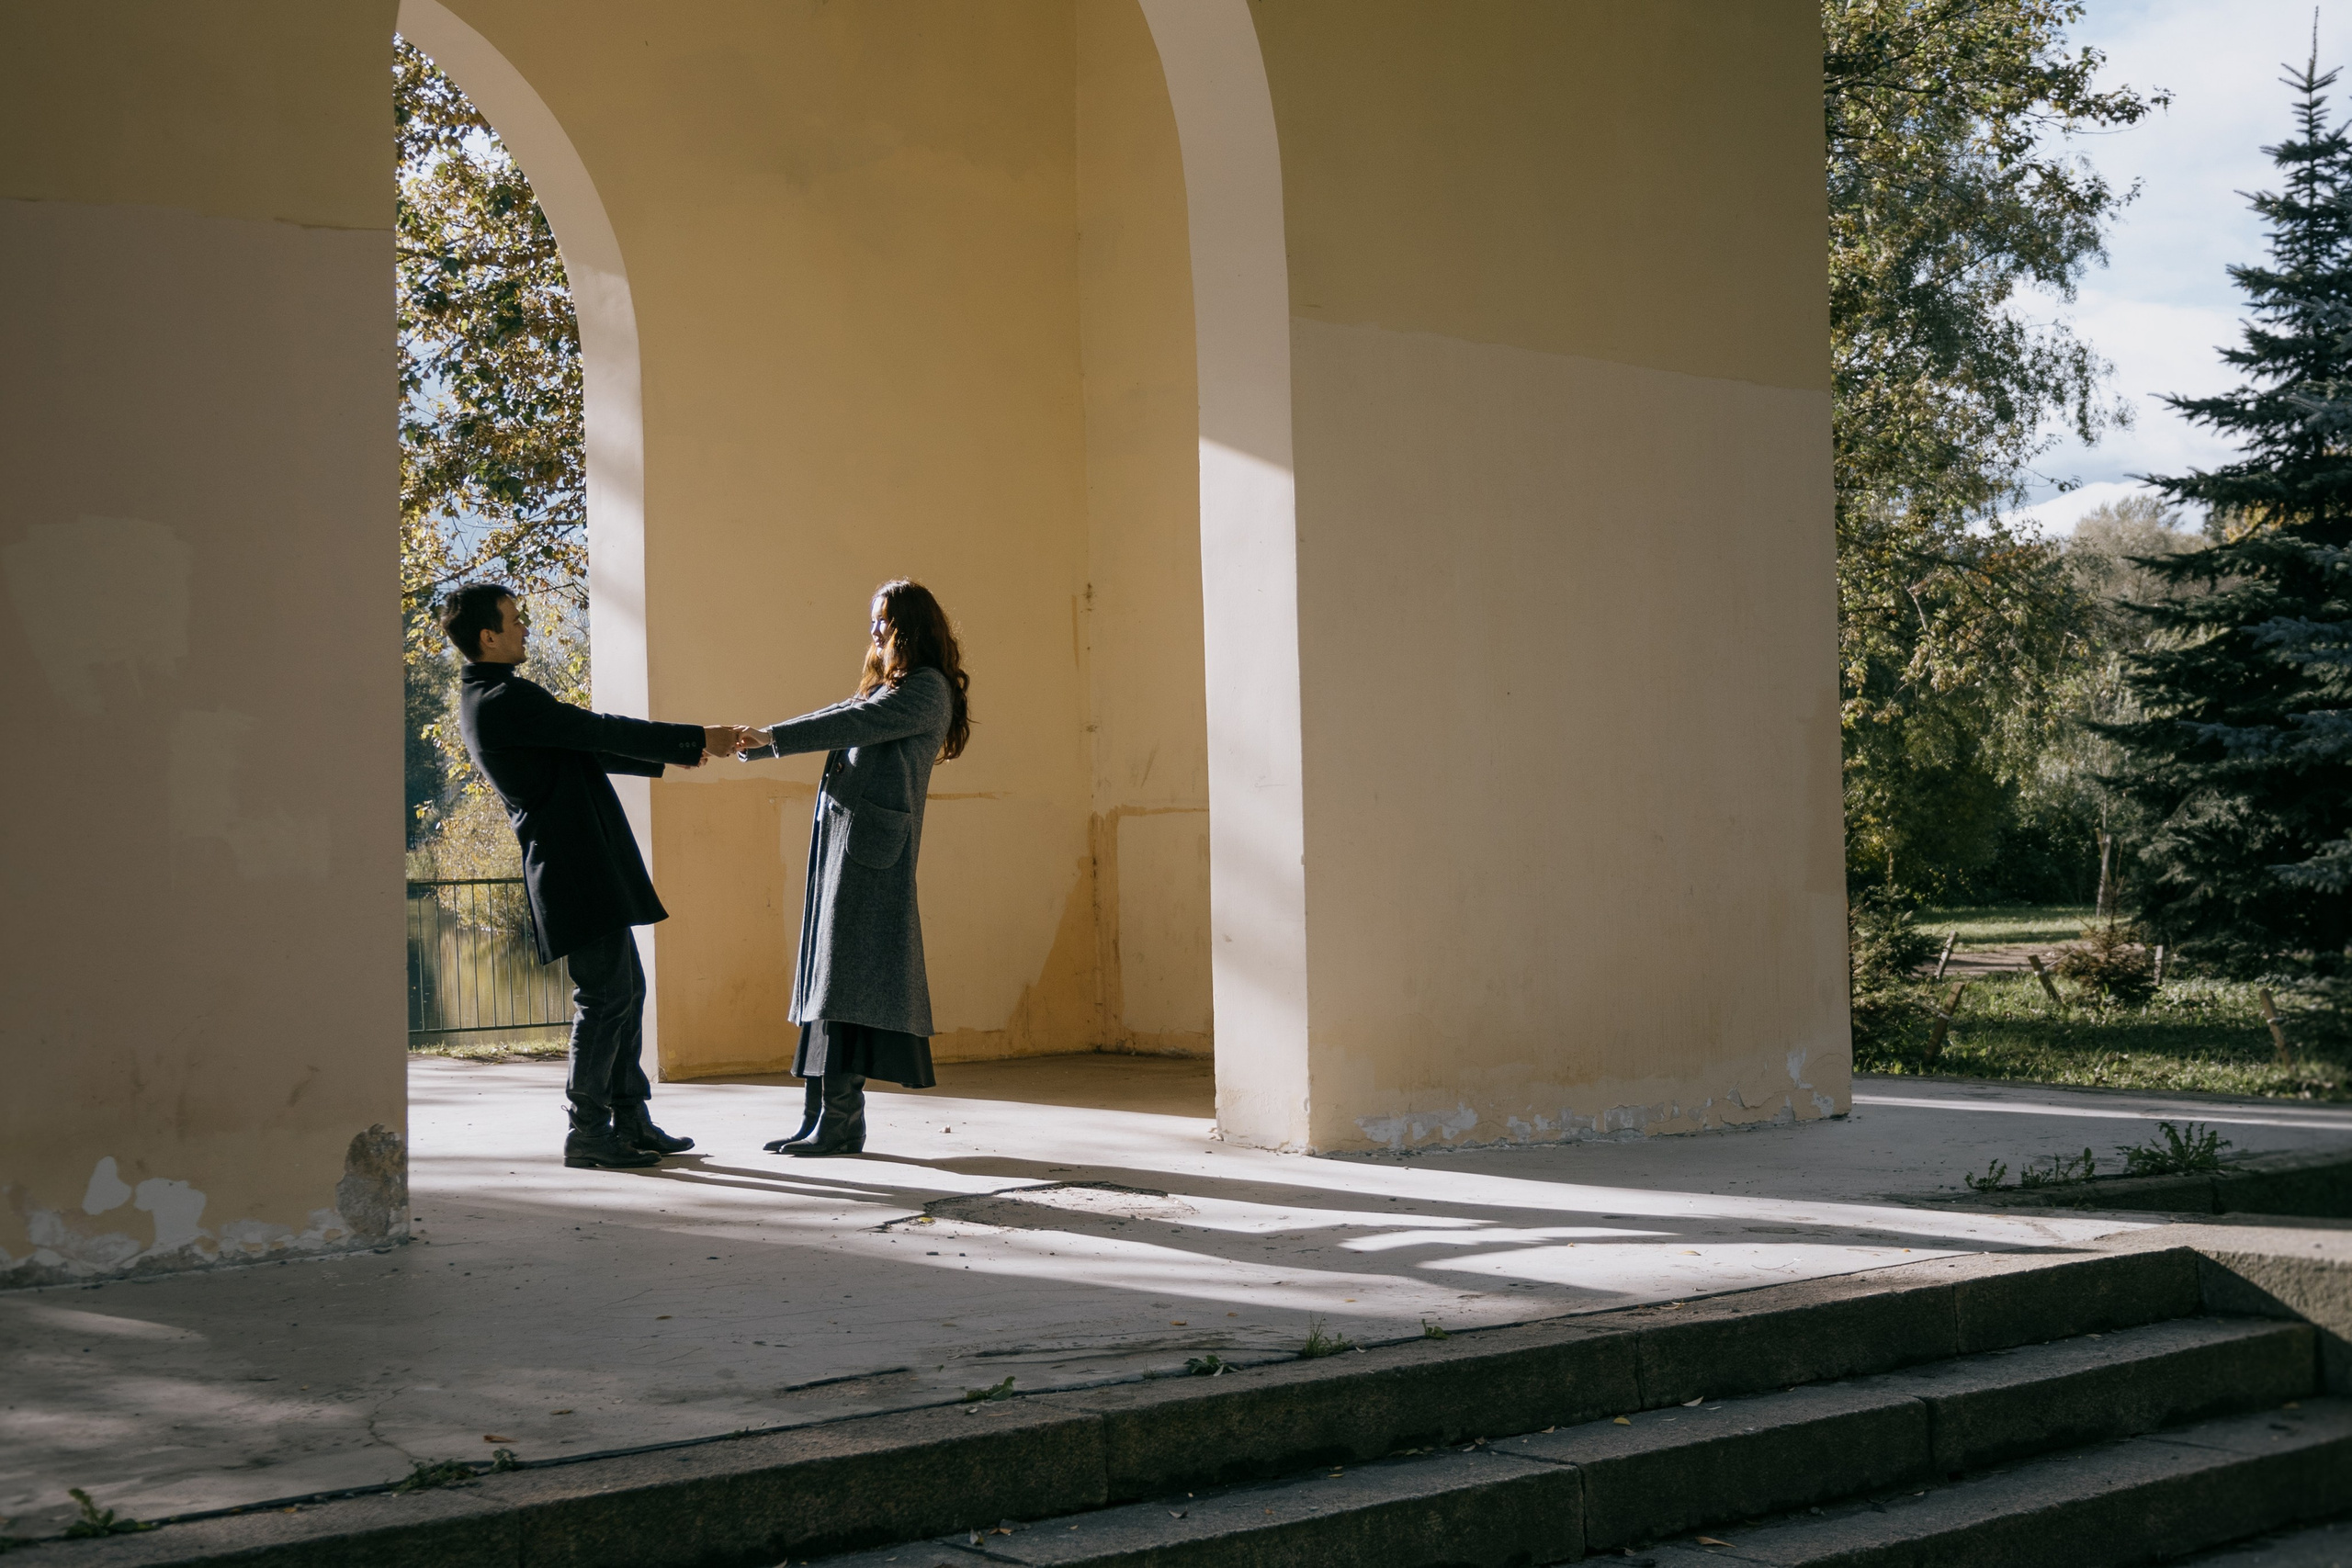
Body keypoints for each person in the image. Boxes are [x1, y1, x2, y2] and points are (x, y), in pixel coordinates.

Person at [437, 583, 741, 1170]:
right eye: (515, 619)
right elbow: (596, 730)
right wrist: (699, 738)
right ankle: (588, 1131)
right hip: (571, 868)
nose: (525, 627)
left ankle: (630, 1120)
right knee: (604, 998)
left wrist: (689, 752)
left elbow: (584, 748)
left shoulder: (491, 696)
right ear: (487, 636)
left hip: (583, 864)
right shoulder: (503, 698)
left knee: (625, 991)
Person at [737, 580, 972, 1156]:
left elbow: (852, 727)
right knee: (825, 978)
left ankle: (842, 1122)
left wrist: (771, 739)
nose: (873, 631)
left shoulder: (925, 691)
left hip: (872, 858)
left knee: (841, 980)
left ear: (907, 628)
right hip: (846, 851)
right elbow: (841, 712)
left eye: (882, 620)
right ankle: (820, 1113)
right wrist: (765, 739)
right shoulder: (892, 686)